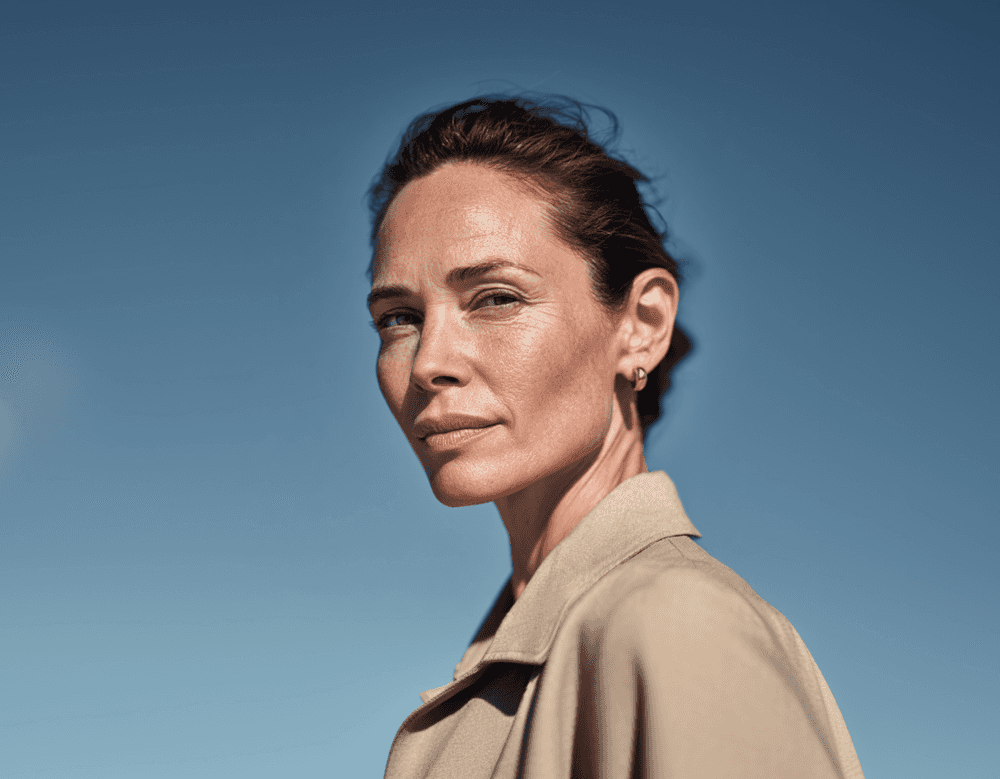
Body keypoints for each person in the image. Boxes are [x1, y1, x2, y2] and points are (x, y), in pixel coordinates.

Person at [366, 97, 863, 779]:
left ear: (642, 325)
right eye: (398, 317)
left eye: (496, 298)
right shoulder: (543, 645)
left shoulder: (673, 623)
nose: (427, 363)